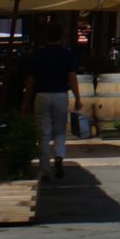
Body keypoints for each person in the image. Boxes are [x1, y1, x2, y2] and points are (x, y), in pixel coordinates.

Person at [25, 20, 81, 181]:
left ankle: (45, 170)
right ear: (61, 37)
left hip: (42, 95)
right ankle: (59, 157)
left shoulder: (38, 55)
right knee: (59, 130)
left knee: (43, 133)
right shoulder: (67, 54)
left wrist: (26, 101)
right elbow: (72, 78)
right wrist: (77, 98)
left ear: (46, 37)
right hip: (60, 95)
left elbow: (30, 80)